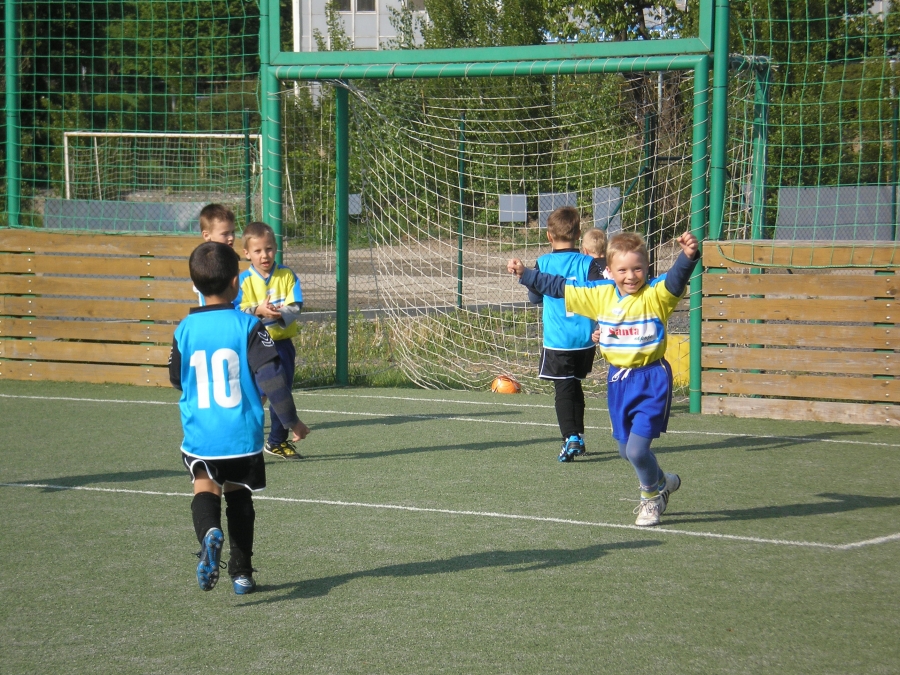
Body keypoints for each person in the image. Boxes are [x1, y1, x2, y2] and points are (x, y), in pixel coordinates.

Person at [507, 230, 700, 526]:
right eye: (622, 270)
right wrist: (526, 275)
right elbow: (559, 287)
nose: (631, 276)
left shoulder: (655, 294)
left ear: (647, 267)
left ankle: (651, 498)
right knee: (626, 451)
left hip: (651, 379)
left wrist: (688, 257)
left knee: (636, 450)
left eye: (637, 268)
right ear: (609, 270)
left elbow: (675, 280)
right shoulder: (601, 294)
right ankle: (662, 481)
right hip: (619, 381)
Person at [169, 242, 310, 594]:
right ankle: (242, 573)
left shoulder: (184, 328)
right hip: (241, 437)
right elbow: (272, 379)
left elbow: (175, 377)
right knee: (239, 498)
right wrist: (292, 421)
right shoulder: (249, 326)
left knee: (205, 487)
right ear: (236, 282)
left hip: (201, 435)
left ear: (195, 284)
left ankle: (208, 532)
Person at [522, 207, 609, 463]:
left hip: (558, 340)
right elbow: (599, 294)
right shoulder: (588, 263)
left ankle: (570, 436)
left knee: (563, 389)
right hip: (584, 340)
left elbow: (534, 297)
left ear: (549, 236)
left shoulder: (543, 263)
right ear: (579, 234)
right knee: (574, 386)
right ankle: (579, 436)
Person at [234, 221, 304, 460]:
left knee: (281, 394)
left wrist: (280, 314)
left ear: (276, 248)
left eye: (269, 249)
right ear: (247, 253)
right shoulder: (242, 280)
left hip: (282, 346)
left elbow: (296, 305)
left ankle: (276, 441)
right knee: (256, 394)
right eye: (258, 251)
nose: (264, 255)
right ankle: (244, 438)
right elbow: (236, 311)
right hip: (255, 347)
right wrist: (258, 311)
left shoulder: (287, 275)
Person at [194, 204, 237, 305]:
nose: (231, 237)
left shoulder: (231, 258)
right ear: (206, 235)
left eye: (233, 232)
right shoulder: (205, 262)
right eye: (225, 234)